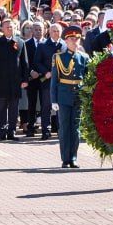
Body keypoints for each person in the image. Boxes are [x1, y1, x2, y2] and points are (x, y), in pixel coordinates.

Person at [51, 23, 89, 168]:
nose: (74, 41)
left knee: (76, 128)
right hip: (63, 97)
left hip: (78, 96)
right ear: (66, 41)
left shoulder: (84, 57)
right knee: (64, 128)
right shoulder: (58, 57)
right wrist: (54, 99)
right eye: (71, 39)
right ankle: (65, 158)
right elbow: (54, 80)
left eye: (77, 39)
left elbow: (88, 78)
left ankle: (73, 157)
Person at [0, 17, 29, 141]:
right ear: (2, 29)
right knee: (1, 108)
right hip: (1, 82)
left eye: (12, 27)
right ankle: (1, 132)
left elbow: (24, 63)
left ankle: (12, 132)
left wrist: (25, 79)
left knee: (14, 109)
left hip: (15, 82)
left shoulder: (20, 42)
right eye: (7, 27)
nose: (10, 29)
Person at [24, 21, 56, 139]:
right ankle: (30, 127)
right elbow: (25, 61)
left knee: (45, 105)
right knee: (31, 104)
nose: (38, 32)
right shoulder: (26, 44)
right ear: (32, 31)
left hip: (45, 78)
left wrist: (44, 72)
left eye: (40, 29)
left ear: (45, 30)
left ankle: (46, 128)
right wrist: (31, 72)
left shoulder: (48, 43)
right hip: (33, 78)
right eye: (35, 29)